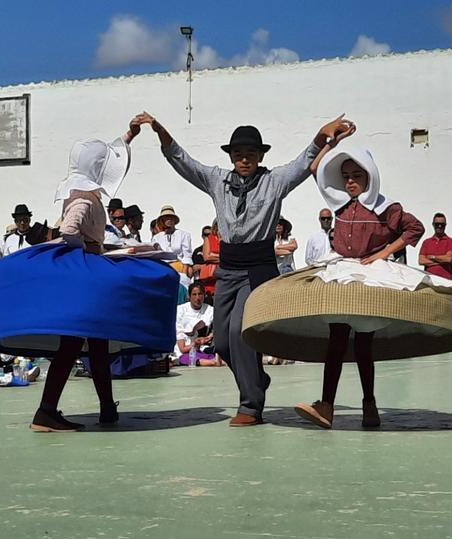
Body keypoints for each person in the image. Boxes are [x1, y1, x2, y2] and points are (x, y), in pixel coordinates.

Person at [133, 112, 352, 426]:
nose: (244, 159)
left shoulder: (274, 181)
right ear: (231, 156)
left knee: (239, 332)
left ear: (261, 155)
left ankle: (251, 405)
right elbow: (184, 161)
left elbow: (303, 162)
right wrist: (160, 131)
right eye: (238, 154)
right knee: (221, 341)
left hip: (258, 269)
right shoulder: (217, 180)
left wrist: (321, 135)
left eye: (250, 154)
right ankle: (257, 379)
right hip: (228, 269)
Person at [241, 135, 452, 430]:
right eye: (346, 176)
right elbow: (315, 168)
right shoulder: (340, 204)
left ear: (369, 177)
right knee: (337, 337)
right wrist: (331, 141)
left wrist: (384, 253)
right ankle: (330, 404)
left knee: (363, 343)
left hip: (369, 274)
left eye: (357, 176)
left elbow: (415, 228)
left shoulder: (386, 207)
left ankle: (367, 404)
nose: (350, 182)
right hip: (343, 271)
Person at [0, 127, 178, 432]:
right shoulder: (85, 201)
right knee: (75, 343)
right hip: (85, 278)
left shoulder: (79, 193)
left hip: (87, 273)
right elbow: (69, 229)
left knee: (96, 344)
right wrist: (83, 254)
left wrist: (128, 138)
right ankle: (47, 411)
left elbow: (110, 163)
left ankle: (105, 408)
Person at [174, 282, 219, 366]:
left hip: (203, 348)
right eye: (194, 294)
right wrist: (196, 343)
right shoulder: (180, 310)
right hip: (185, 350)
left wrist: (208, 337)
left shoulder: (210, 310)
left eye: (200, 294)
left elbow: (217, 328)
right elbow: (182, 347)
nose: (197, 298)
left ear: (204, 295)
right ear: (189, 296)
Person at [418, 213, 452, 279]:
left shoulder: (451, 241)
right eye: (437, 224)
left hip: (446, 280)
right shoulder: (426, 242)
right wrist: (441, 261)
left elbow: (448, 259)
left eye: (442, 224)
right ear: (433, 225)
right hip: (429, 279)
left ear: (445, 225)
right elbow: (421, 261)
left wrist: (432, 257)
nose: (439, 226)